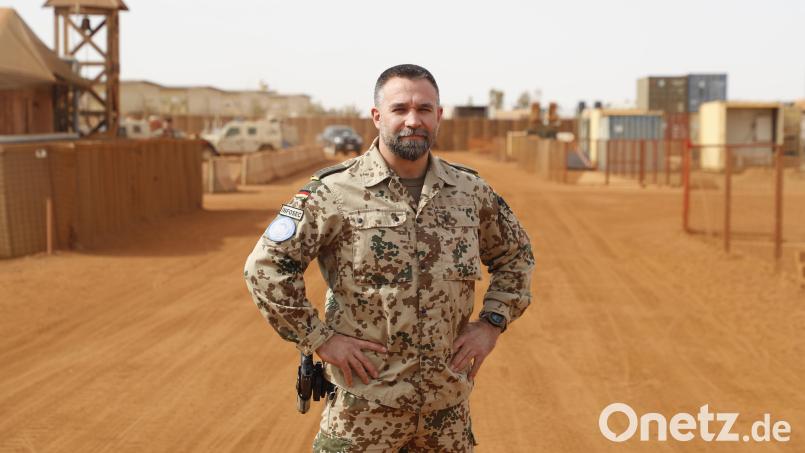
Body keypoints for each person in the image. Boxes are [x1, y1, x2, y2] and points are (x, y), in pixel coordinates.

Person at [244, 64, 534, 452]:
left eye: (424, 109)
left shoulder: (469, 191)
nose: (413, 120)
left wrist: (491, 324)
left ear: (439, 116)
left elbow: (516, 256)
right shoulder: (334, 191)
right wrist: (321, 339)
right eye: (400, 109)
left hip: (445, 412)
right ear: (377, 116)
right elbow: (265, 267)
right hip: (363, 410)